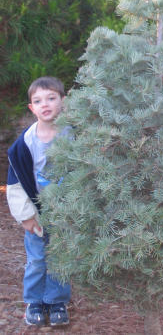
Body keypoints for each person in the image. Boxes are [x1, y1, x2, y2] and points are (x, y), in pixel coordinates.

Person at [6, 77, 71, 327]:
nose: (45, 104)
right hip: (37, 212)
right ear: (31, 108)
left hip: (66, 211)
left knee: (60, 258)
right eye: (38, 101)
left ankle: (57, 301)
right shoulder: (24, 144)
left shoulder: (72, 136)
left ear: (62, 102)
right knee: (36, 259)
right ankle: (34, 300)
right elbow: (16, 183)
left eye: (51, 98)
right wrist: (26, 216)